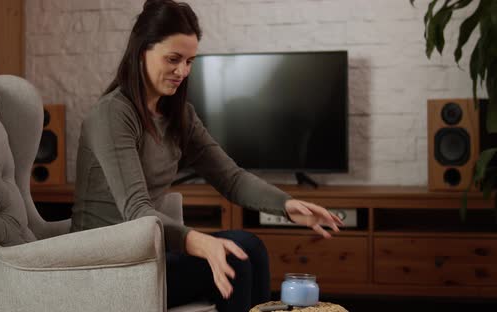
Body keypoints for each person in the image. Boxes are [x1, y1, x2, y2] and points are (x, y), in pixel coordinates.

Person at [71, 0, 344, 310]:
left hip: (147, 254)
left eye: (189, 61)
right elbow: (136, 211)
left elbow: (231, 178)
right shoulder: (113, 114)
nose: (182, 71)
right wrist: (198, 241)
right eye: (173, 59)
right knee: (236, 257)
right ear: (141, 50)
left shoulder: (178, 115)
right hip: (104, 264)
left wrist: (287, 205)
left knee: (250, 248)